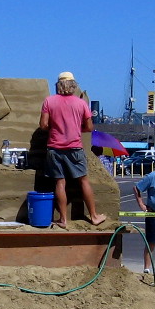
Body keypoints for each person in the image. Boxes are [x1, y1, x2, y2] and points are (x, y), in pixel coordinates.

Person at [39, 71, 106, 228]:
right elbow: (89, 127)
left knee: (60, 183)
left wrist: (55, 127)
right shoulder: (81, 103)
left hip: (55, 148)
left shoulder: (49, 101)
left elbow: (43, 125)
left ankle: (63, 220)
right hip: (75, 147)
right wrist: (76, 127)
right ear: (73, 85)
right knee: (83, 180)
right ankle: (94, 216)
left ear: (58, 85)